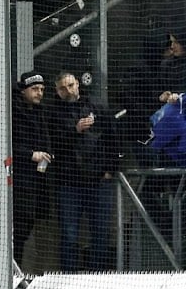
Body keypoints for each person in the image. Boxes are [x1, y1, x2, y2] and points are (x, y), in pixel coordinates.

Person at [47, 71, 119, 271]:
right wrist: (75, 130)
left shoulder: (97, 107)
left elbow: (112, 139)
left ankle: (97, 277)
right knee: (69, 234)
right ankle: (68, 278)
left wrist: (110, 170)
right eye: (62, 88)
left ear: (78, 84)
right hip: (69, 183)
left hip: (98, 181)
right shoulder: (52, 113)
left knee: (101, 233)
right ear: (57, 90)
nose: (68, 90)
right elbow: (53, 144)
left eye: (70, 85)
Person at [11, 71, 53, 267]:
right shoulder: (13, 112)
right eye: (35, 89)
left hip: (37, 179)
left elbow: (46, 140)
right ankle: (11, 272)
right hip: (17, 178)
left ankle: (17, 270)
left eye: (42, 90)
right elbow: (6, 143)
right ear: (24, 90)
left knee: (27, 227)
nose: (39, 93)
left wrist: (47, 154)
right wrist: (30, 154)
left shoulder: (41, 112)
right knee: (18, 227)